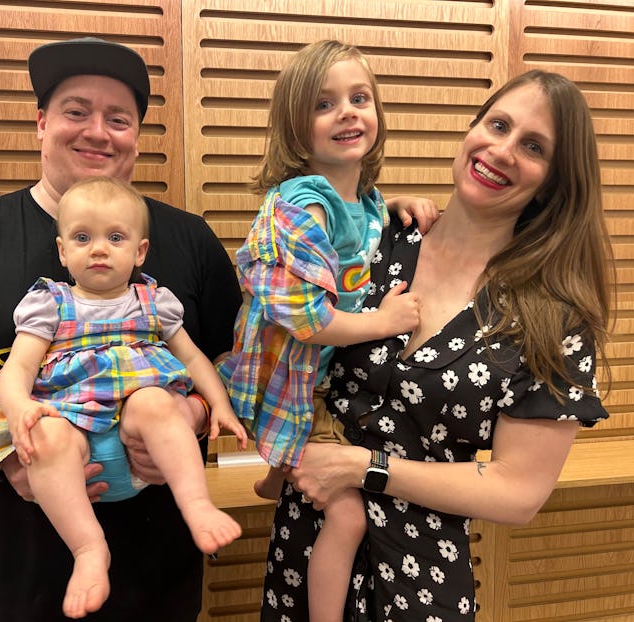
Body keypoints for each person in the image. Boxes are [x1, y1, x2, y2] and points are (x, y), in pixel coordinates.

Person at [0, 37, 242, 622]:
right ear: (41, 123)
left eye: (117, 119)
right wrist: (6, 448)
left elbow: (230, 363)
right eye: (76, 111)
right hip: (22, 582)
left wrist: (191, 414)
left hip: (163, 580)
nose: (97, 131)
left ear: (136, 138)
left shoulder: (190, 240)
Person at [260, 69, 614, 622]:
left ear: (554, 183)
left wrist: (366, 468)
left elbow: (517, 493)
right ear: (471, 128)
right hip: (306, 540)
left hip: (420, 574)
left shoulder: (554, 317)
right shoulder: (378, 240)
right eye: (497, 125)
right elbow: (284, 321)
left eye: (534, 147)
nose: (501, 151)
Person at [216, 40, 436, 622]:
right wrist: (384, 321)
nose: (347, 112)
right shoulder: (301, 204)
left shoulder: (361, 199)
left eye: (359, 98)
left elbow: (363, 231)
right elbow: (308, 321)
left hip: (320, 383)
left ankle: (275, 474)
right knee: (348, 516)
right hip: (294, 377)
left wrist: (399, 204)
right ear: (295, 128)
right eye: (324, 103)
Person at [0, 176, 248, 618]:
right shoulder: (48, 304)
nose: (98, 249)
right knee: (48, 438)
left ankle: (197, 506)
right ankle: (89, 550)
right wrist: (19, 408)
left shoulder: (154, 302)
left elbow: (194, 361)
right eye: (82, 237)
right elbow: (18, 368)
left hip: (138, 411)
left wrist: (220, 406)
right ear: (62, 251)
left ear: (140, 251)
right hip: (72, 415)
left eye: (115, 237)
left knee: (154, 402)